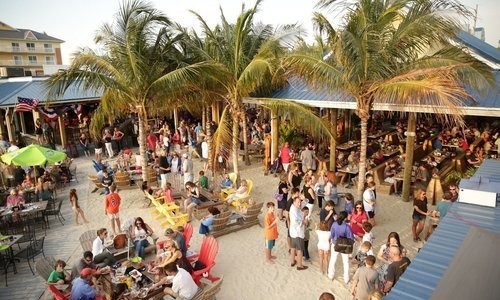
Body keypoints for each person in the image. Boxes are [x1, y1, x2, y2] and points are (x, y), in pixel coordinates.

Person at [327, 211, 354, 284]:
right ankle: (346, 279)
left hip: (335, 244)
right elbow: (351, 237)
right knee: (345, 262)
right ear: (345, 218)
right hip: (344, 245)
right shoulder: (347, 226)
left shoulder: (334, 224)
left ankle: (330, 275)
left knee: (333, 260)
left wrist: (332, 240)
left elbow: (331, 234)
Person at [289, 195, 308, 271]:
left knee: (293, 247)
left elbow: (305, 202)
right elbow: (295, 222)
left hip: (293, 233)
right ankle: (299, 265)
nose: (299, 204)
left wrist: (304, 199)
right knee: (299, 250)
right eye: (298, 202)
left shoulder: (296, 206)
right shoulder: (293, 210)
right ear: (294, 202)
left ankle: (292, 261)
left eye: (300, 202)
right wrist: (303, 222)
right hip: (297, 233)